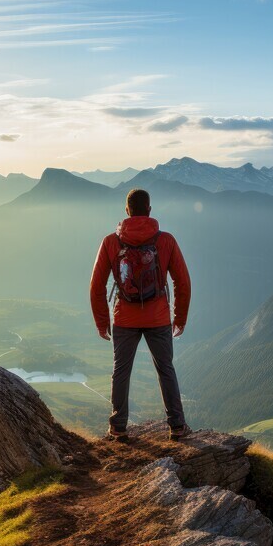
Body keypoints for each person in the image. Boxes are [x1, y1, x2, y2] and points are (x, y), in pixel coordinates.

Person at [89, 188, 192, 442]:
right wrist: (179, 318)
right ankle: (177, 426)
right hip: (157, 318)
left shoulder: (111, 242)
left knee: (121, 372)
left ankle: (118, 427)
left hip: (124, 318)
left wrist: (103, 322)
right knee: (165, 369)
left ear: (127, 211)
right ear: (149, 210)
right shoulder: (165, 240)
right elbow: (183, 282)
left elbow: (96, 286)